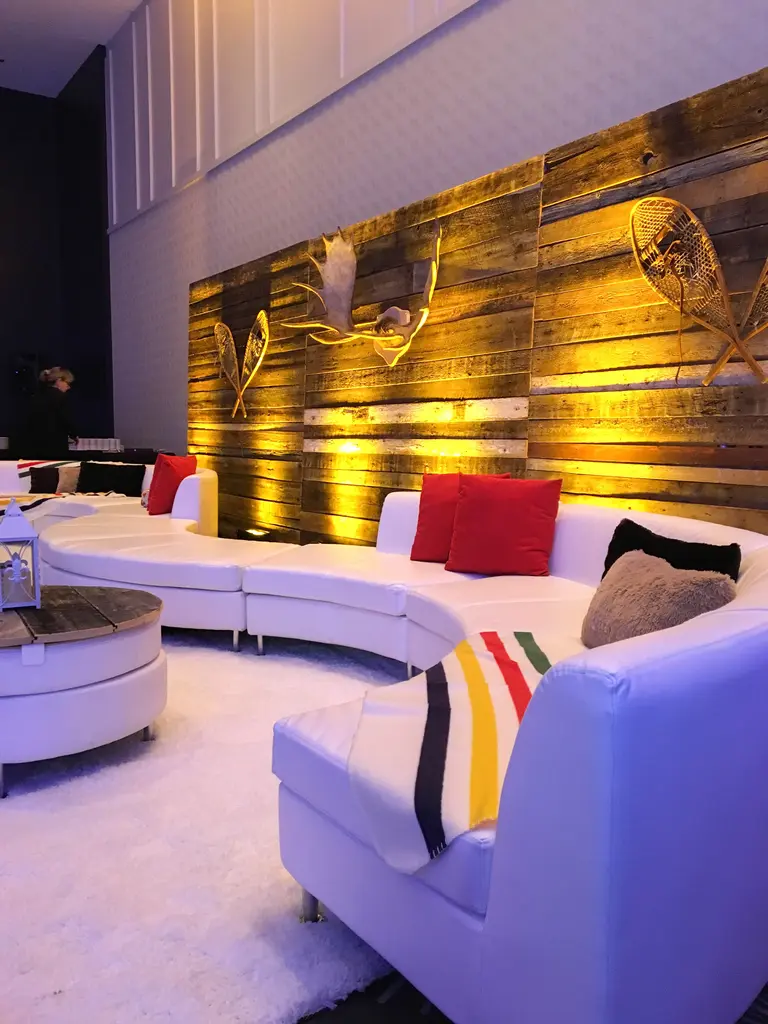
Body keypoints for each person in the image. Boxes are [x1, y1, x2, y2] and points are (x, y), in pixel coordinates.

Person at [22, 367, 78, 459]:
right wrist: (74, 434)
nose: (69, 387)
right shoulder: (61, 398)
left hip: (32, 448)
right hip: (54, 447)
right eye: (67, 383)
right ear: (59, 381)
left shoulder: (34, 397)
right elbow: (66, 419)